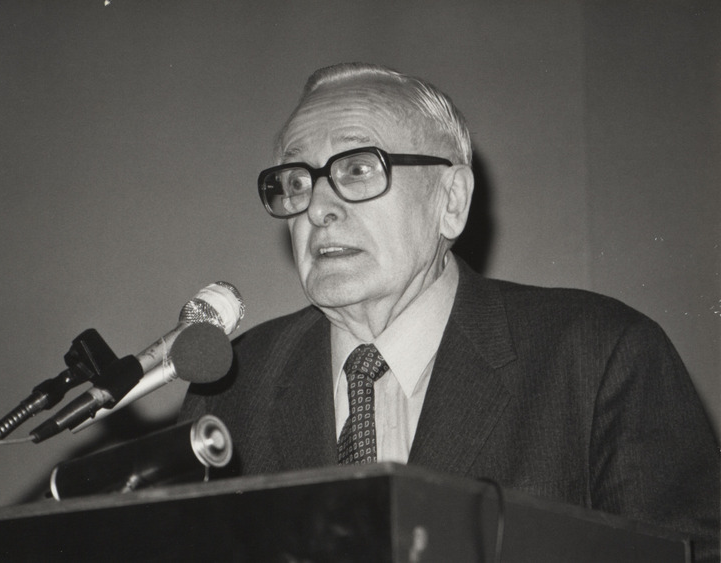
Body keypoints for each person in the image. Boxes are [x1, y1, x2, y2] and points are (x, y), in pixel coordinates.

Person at [180, 62, 720, 560]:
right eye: (297, 182)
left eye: (359, 169)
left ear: (452, 200)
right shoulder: (232, 387)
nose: (318, 208)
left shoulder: (601, 356)